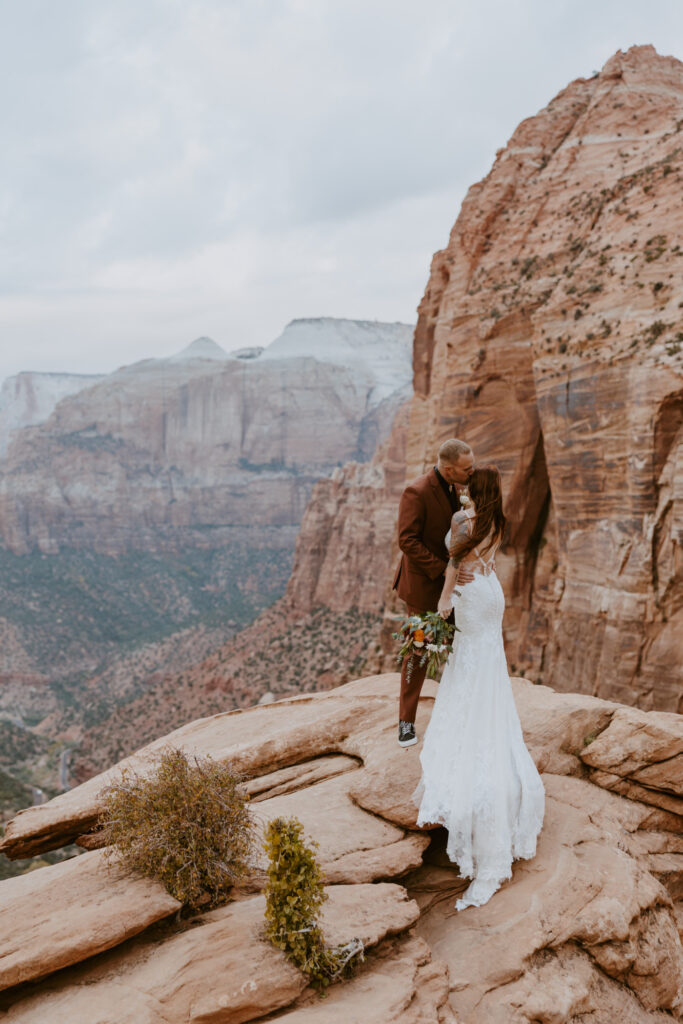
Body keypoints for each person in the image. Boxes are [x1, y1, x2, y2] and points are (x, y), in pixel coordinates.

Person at [412, 465, 545, 911]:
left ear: (474, 490)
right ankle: (487, 725)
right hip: (491, 591)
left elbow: (452, 562)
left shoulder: (462, 521)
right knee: (488, 659)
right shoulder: (496, 521)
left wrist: (444, 601)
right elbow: (475, 558)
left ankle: (469, 733)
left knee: (468, 658)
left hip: (469, 594)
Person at [393, 438, 474, 747]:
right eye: (467, 469)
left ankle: (458, 714)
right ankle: (406, 722)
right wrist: (444, 570)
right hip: (424, 587)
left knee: (459, 646)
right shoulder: (417, 491)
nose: (472, 473)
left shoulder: (457, 488)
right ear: (448, 468)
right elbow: (407, 541)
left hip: (457, 588)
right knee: (419, 650)